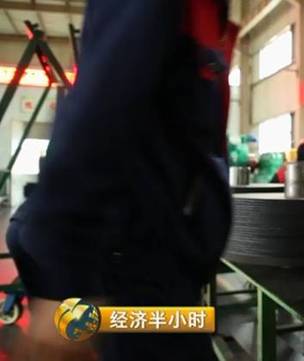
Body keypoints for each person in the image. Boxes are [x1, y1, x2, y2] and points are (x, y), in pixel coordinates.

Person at [7, 1, 237, 360]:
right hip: (132, 279)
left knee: (191, 331)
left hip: (170, 280)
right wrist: (64, 284)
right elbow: (101, 108)